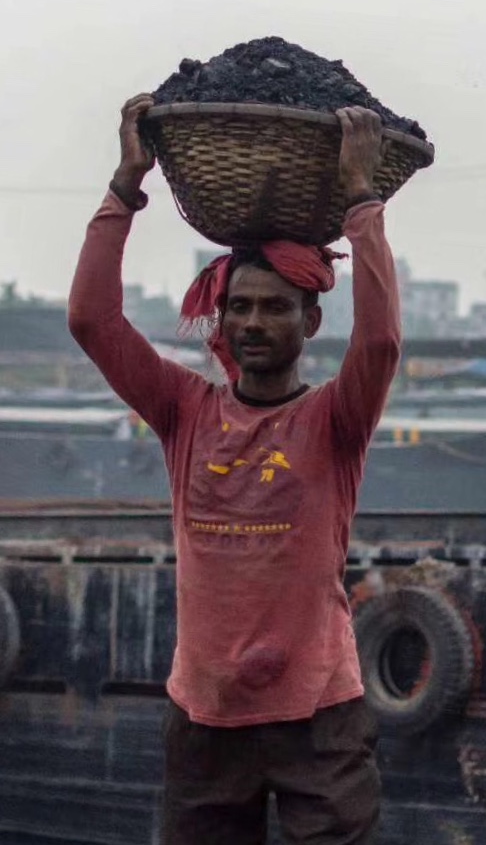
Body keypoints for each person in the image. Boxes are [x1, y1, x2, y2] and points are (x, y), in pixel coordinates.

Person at [68, 94, 400, 845]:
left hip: (319, 712)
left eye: (274, 308)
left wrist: (361, 197)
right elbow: (92, 320)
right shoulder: (184, 410)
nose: (252, 322)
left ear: (309, 321)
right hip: (206, 715)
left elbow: (379, 344)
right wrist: (126, 184)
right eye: (239, 307)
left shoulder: (334, 420)